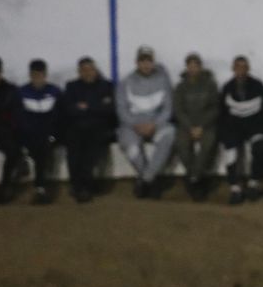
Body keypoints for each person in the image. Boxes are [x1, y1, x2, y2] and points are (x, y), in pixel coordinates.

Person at [217, 56, 263, 206]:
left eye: (244, 67)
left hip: (255, 126)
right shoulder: (227, 88)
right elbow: (221, 113)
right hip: (233, 128)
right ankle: (235, 188)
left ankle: (253, 184)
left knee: (259, 147)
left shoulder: (258, 86)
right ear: (233, 68)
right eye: (238, 67)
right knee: (230, 151)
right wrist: (224, 132)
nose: (241, 70)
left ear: (248, 69)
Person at [117, 45, 176, 199]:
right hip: (132, 125)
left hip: (157, 123)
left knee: (169, 134)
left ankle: (145, 180)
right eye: (142, 61)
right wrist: (135, 125)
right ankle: (151, 181)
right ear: (137, 62)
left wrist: (154, 124)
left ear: (153, 62)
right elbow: (122, 110)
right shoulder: (126, 82)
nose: (146, 64)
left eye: (148, 61)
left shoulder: (163, 80)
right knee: (130, 147)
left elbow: (168, 108)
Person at [60, 57, 116, 203]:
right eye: (83, 70)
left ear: (95, 69)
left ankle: (85, 186)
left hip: (99, 128)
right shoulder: (71, 86)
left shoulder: (106, 86)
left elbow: (109, 110)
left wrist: (86, 106)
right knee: (73, 151)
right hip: (76, 127)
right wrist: (95, 106)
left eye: (90, 69)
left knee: (89, 153)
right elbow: (68, 110)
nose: (87, 73)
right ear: (79, 72)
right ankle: (77, 185)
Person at [173, 53, 221, 201]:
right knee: (181, 145)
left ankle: (194, 178)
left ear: (200, 67)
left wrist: (201, 126)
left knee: (209, 144)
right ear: (186, 67)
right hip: (186, 126)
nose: (193, 69)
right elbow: (178, 110)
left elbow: (215, 108)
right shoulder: (180, 87)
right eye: (190, 66)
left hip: (206, 125)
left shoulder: (210, 85)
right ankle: (197, 178)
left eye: (196, 66)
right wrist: (190, 127)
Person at [16, 59, 64, 204]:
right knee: (40, 150)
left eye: (40, 74)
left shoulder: (54, 91)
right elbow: (19, 117)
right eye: (34, 74)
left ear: (45, 75)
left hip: (49, 133)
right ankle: (40, 187)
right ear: (30, 75)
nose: (37, 77)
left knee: (41, 150)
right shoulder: (22, 92)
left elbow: (59, 116)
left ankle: (39, 186)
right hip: (29, 133)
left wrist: (53, 133)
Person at [0, 56, 19, 203]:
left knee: (13, 152)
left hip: (3, 130)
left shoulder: (10, 90)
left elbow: (12, 114)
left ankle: (5, 188)